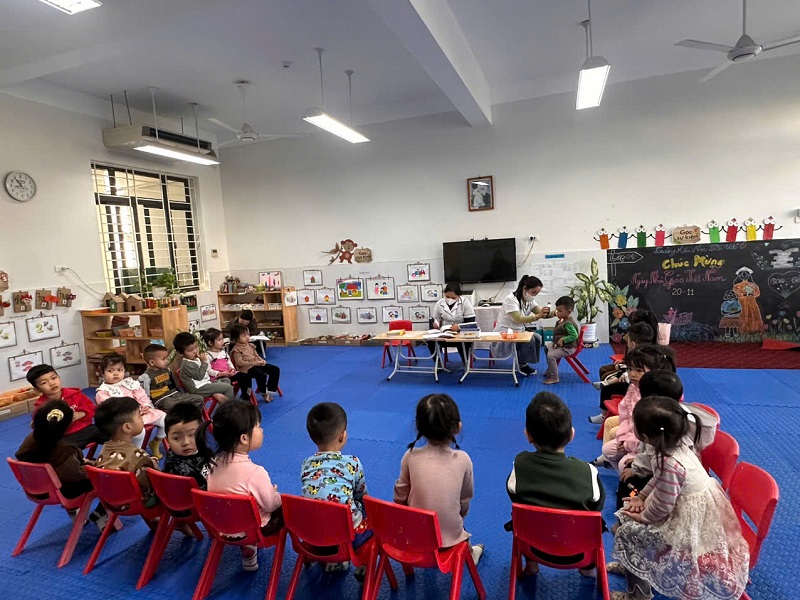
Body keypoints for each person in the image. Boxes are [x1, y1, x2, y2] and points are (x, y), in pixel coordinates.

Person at [609, 396, 750, 600]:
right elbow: (659, 480)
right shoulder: (674, 445)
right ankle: (633, 563)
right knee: (625, 518)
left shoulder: (669, 463)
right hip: (688, 510)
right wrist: (642, 496)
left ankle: (638, 594)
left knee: (626, 532)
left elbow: (663, 506)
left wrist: (643, 517)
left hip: (690, 525)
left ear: (645, 436)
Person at [506, 392, 604, 577]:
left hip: (533, 547)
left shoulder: (519, 466)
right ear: (572, 434)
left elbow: (514, 495)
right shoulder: (587, 471)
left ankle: (532, 566)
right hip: (578, 553)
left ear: (528, 435)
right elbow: (597, 506)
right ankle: (588, 570)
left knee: (526, 517)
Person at [393, 394, 484, 565]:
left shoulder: (410, 456)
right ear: (457, 428)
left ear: (419, 427)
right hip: (449, 539)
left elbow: (400, 497)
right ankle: (470, 554)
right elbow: (465, 500)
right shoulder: (463, 459)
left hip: (412, 538)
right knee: (457, 523)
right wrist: (458, 515)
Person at [196, 401, 282, 572]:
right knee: (285, 507)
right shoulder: (255, 473)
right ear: (244, 438)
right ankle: (251, 545)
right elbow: (271, 506)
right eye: (258, 427)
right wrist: (275, 494)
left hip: (221, 527)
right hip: (252, 530)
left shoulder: (210, 464)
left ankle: (249, 550)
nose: (262, 430)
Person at [16, 400, 111, 530]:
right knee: (113, 475)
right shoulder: (63, 450)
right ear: (68, 425)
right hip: (65, 491)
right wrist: (95, 467)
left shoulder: (30, 440)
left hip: (37, 489)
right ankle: (100, 514)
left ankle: (75, 511)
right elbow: (78, 475)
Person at [302, 402, 371, 573]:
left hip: (313, 534)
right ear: (342, 436)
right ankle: (363, 566)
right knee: (371, 513)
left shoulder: (306, 464)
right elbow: (362, 494)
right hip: (349, 536)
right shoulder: (352, 462)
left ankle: (332, 560)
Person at [593, 345, 676, 470]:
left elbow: (648, 433)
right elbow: (626, 414)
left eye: (639, 370)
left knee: (624, 463)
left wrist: (628, 443)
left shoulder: (655, 397)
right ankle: (620, 471)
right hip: (633, 435)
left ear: (655, 372)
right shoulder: (633, 387)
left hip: (647, 444)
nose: (632, 374)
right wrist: (623, 437)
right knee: (608, 449)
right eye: (629, 369)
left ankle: (630, 478)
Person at [616, 370, 683, 510]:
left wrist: (643, 517)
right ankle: (625, 509)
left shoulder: (656, 422)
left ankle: (625, 512)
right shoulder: (673, 417)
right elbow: (650, 453)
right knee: (629, 473)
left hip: (662, 479)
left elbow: (662, 506)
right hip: (655, 467)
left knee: (629, 483)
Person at [95, 354, 167, 459]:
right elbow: (111, 412)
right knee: (139, 431)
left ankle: (156, 442)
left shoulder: (130, 383)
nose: (116, 373)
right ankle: (135, 453)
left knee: (164, 418)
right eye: (110, 371)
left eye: (120, 370)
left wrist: (145, 406)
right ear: (103, 373)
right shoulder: (103, 392)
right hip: (123, 420)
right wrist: (133, 414)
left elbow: (142, 396)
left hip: (140, 413)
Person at [94, 396, 160, 509]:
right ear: (127, 427)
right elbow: (153, 480)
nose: (142, 418)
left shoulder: (104, 449)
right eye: (139, 416)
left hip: (110, 501)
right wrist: (152, 465)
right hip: (135, 503)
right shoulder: (139, 455)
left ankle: (100, 512)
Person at [588, 321, 656, 424]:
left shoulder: (643, 357)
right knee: (609, 372)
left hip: (638, 388)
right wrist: (624, 368)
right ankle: (606, 383)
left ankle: (603, 414)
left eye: (627, 341)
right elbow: (630, 368)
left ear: (632, 344)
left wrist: (626, 373)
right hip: (633, 383)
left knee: (607, 388)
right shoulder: (646, 353)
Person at [26, 364, 106, 449]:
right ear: (37, 390)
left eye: (53, 378)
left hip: (88, 428)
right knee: (65, 450)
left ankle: (114, 455)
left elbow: (92, 407)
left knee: (112, 434)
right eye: (44, 383)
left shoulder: (75, 394)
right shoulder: (42, 406)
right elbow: (41, 427)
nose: (52, 383)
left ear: (59, 378)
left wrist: (82, 413)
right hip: (65, 436)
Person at [492, 275, 547, 376]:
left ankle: (524, 362)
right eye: (533, 292)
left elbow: (540, 312)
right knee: (528, 339)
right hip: (505, 331)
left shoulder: (529, 300)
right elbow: (518, 319)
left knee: (537, 338)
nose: (534, 295)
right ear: (525, 288)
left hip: (518, 330)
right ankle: (522, 365)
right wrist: (537, 316)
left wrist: (555, 313)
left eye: (537, 293)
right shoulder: (510, 299)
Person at [138, 344, 204, 412]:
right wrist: (150, 407)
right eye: (163, 359)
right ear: (152, 362)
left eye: (166, 358)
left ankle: (192, 417)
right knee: (176, 406)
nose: (166, 361)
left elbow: (173, 385)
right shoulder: (146, 377)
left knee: (199, 399)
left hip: (175, 395)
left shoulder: (167, 370)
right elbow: (145, 395)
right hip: (162, 399)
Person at [174, 332, 234, 405]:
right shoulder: (187, 364)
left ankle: (216, 394)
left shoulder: (195, 358)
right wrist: (204, 362)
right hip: (198, 388)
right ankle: (229, 408)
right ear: (181, 353)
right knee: (228, 388)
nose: (195, 351)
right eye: (190, 350)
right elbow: (199, 376)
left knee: (226, 380)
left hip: (207, 383)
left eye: (196, 347)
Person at [163, 402, 209, 488]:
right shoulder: (179, 467)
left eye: (192, 435)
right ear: (167, 440)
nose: (186, 442)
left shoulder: (202, 449)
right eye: (177, 438)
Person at [229, 324, 281, 402]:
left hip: (256, 364)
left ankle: (270, 390)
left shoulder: (250, 345)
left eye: (248, 334)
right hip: (246, 369)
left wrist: (261, 360)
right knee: (260, 374)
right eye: (244, 336)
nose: (247, 337)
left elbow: (256, 355)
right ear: (236, 338)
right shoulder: (236, 350)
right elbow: (240, 363)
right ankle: (264, 392)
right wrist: (254, 363)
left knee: (275, 369)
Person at [428, 282, 476, 365]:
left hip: (461, 333)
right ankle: (438, 363)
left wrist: (459, 327)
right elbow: (436, 319)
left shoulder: (465, 302)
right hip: (445, 333)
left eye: (453, 297)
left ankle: (466, 363)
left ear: (459, 296)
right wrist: (436, 324)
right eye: (447, 297)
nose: (450, 299)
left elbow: (471, 323)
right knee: (431, 341)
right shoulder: (439, 303)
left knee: (464, 343)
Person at [542, 296, 580, 385]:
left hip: (568, 348)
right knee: (546, 346)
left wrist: (564, 339)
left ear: (568, 312)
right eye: (556, 310)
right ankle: (551, 368)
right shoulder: (563, 319)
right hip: (561, 346)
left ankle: (554, 377)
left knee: (551, 356)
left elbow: (574, 335)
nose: (557, 313)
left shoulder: (568, 323)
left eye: (559, 311)